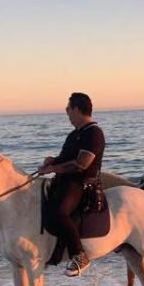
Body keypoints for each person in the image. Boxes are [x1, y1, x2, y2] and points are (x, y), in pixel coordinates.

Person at [37, 92, 106, 276]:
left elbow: (81, 164)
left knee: (60, 212)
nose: (66, 113)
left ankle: (79, 255)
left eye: (68, 109)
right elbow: (65, 158)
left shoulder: (94, 133)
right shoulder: (75, 134)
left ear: (76, 109)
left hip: (81, 183)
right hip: (66, 180)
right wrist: (52, 161)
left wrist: (53, 169)